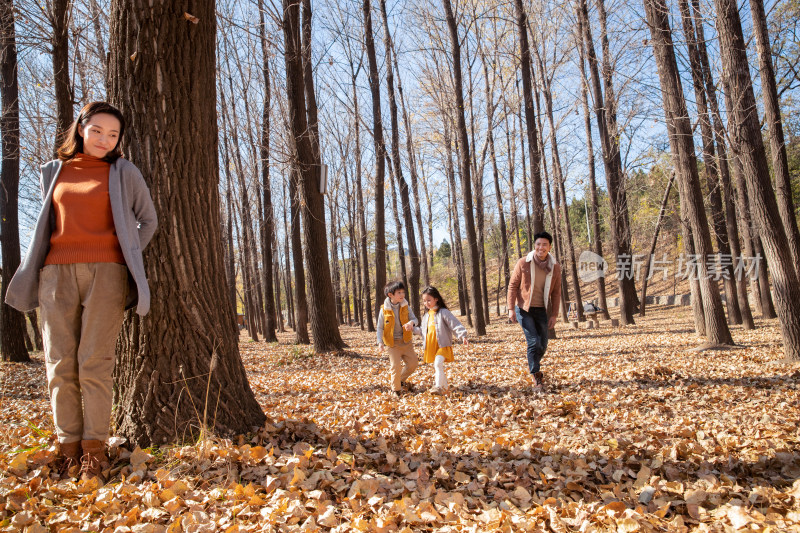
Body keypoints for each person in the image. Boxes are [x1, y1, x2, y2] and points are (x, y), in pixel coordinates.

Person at [5, 101, 157, 480]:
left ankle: (93, 449)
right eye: (97, 131)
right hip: (55, 274)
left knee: (94, 362)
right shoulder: (54, 172)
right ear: (81, 129)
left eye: (113, 134)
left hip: (108, 274)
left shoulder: (123, 172)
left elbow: (147, 220)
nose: (105, 139)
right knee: (59, 363)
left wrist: (126, 251)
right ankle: (67, 447)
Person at [507, 231, 562, 391]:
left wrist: (554, 314)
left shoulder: (555, 267)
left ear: (549, 247)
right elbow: (512, 286)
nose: (541, 247)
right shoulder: (523, 263)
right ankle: (536, 375)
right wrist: (511, 309)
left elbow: (556, 292)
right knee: (533, 341)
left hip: (541, 310)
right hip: (524, 309)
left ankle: (533, 364)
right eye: (538, 244)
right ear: (534, 246)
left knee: (543, 344)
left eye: (545, 244)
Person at [414, 286, 468, 395]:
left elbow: (455, 324)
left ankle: (438, 387)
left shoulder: (443, 312)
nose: (426, 303)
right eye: (424, 301)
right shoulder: (426, 316)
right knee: (437, 365)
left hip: (442, 345)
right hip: (431, 346)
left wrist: (463, 335)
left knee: (438, 364)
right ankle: (444, 387)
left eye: (429, 300)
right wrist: (413, 329)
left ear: (436, 299)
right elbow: (423, 331)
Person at [376, 281, 418, 396]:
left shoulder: (406, 306)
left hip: (406, 341)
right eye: (399, 292)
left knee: (413, 363)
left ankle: (400, 381)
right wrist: (380, 342)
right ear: (390, 295)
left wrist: (411, 323)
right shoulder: (384, 309)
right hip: (392, 344)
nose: (402, 295)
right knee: (396, 366)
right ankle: (396, 390)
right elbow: (380, 327)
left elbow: (415, 319)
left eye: (403, 292)